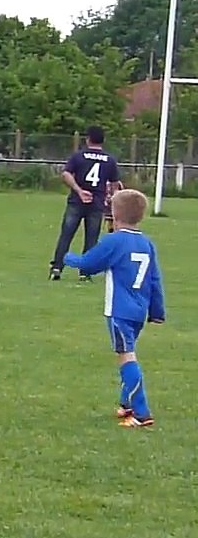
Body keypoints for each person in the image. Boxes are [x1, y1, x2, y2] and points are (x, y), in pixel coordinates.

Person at [62, 189, 165, 428]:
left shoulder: (115, 241)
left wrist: (69, 258)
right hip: (139, 311)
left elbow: (89, 264)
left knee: (126, 356)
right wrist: (157, 312)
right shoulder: (146, 243)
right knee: (127, 352)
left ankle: (141, 413)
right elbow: (155, 279)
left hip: (119, 311)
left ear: (114, 215)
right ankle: (126, 403)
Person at [48, 125, 122, 281]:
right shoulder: (109, 160)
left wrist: (79, 190)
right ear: (103, 140)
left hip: (76, 201)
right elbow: (114, 183)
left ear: (88, 139)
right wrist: (111, 198)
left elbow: (66, 174)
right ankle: (85, 272)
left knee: (66, 235)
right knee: (91, 239)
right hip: (97, 202)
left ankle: (57, 268)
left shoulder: (79, 156)